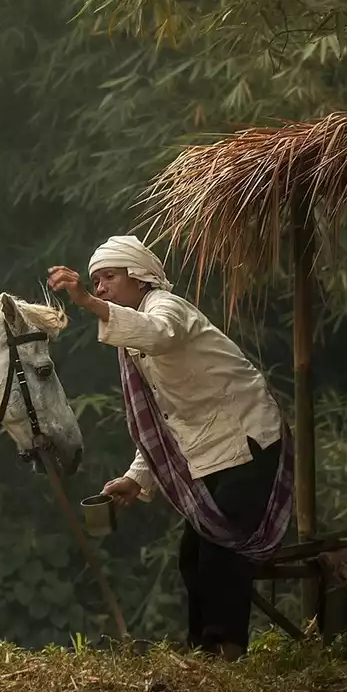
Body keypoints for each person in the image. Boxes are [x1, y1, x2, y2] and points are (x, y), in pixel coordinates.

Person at [47, 236, 293, 660]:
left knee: (223, 548)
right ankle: (204, 651)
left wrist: (85, 302)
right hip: (208, 448)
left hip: (246, 438)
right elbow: (165, 421)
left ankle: (226, 652)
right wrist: (135, 477)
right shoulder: (133, 337)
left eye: (108, 277)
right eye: (95, 282)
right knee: (193, 556)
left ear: (139, 277)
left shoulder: (166, 308)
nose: (101, 288)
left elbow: (158, 334)